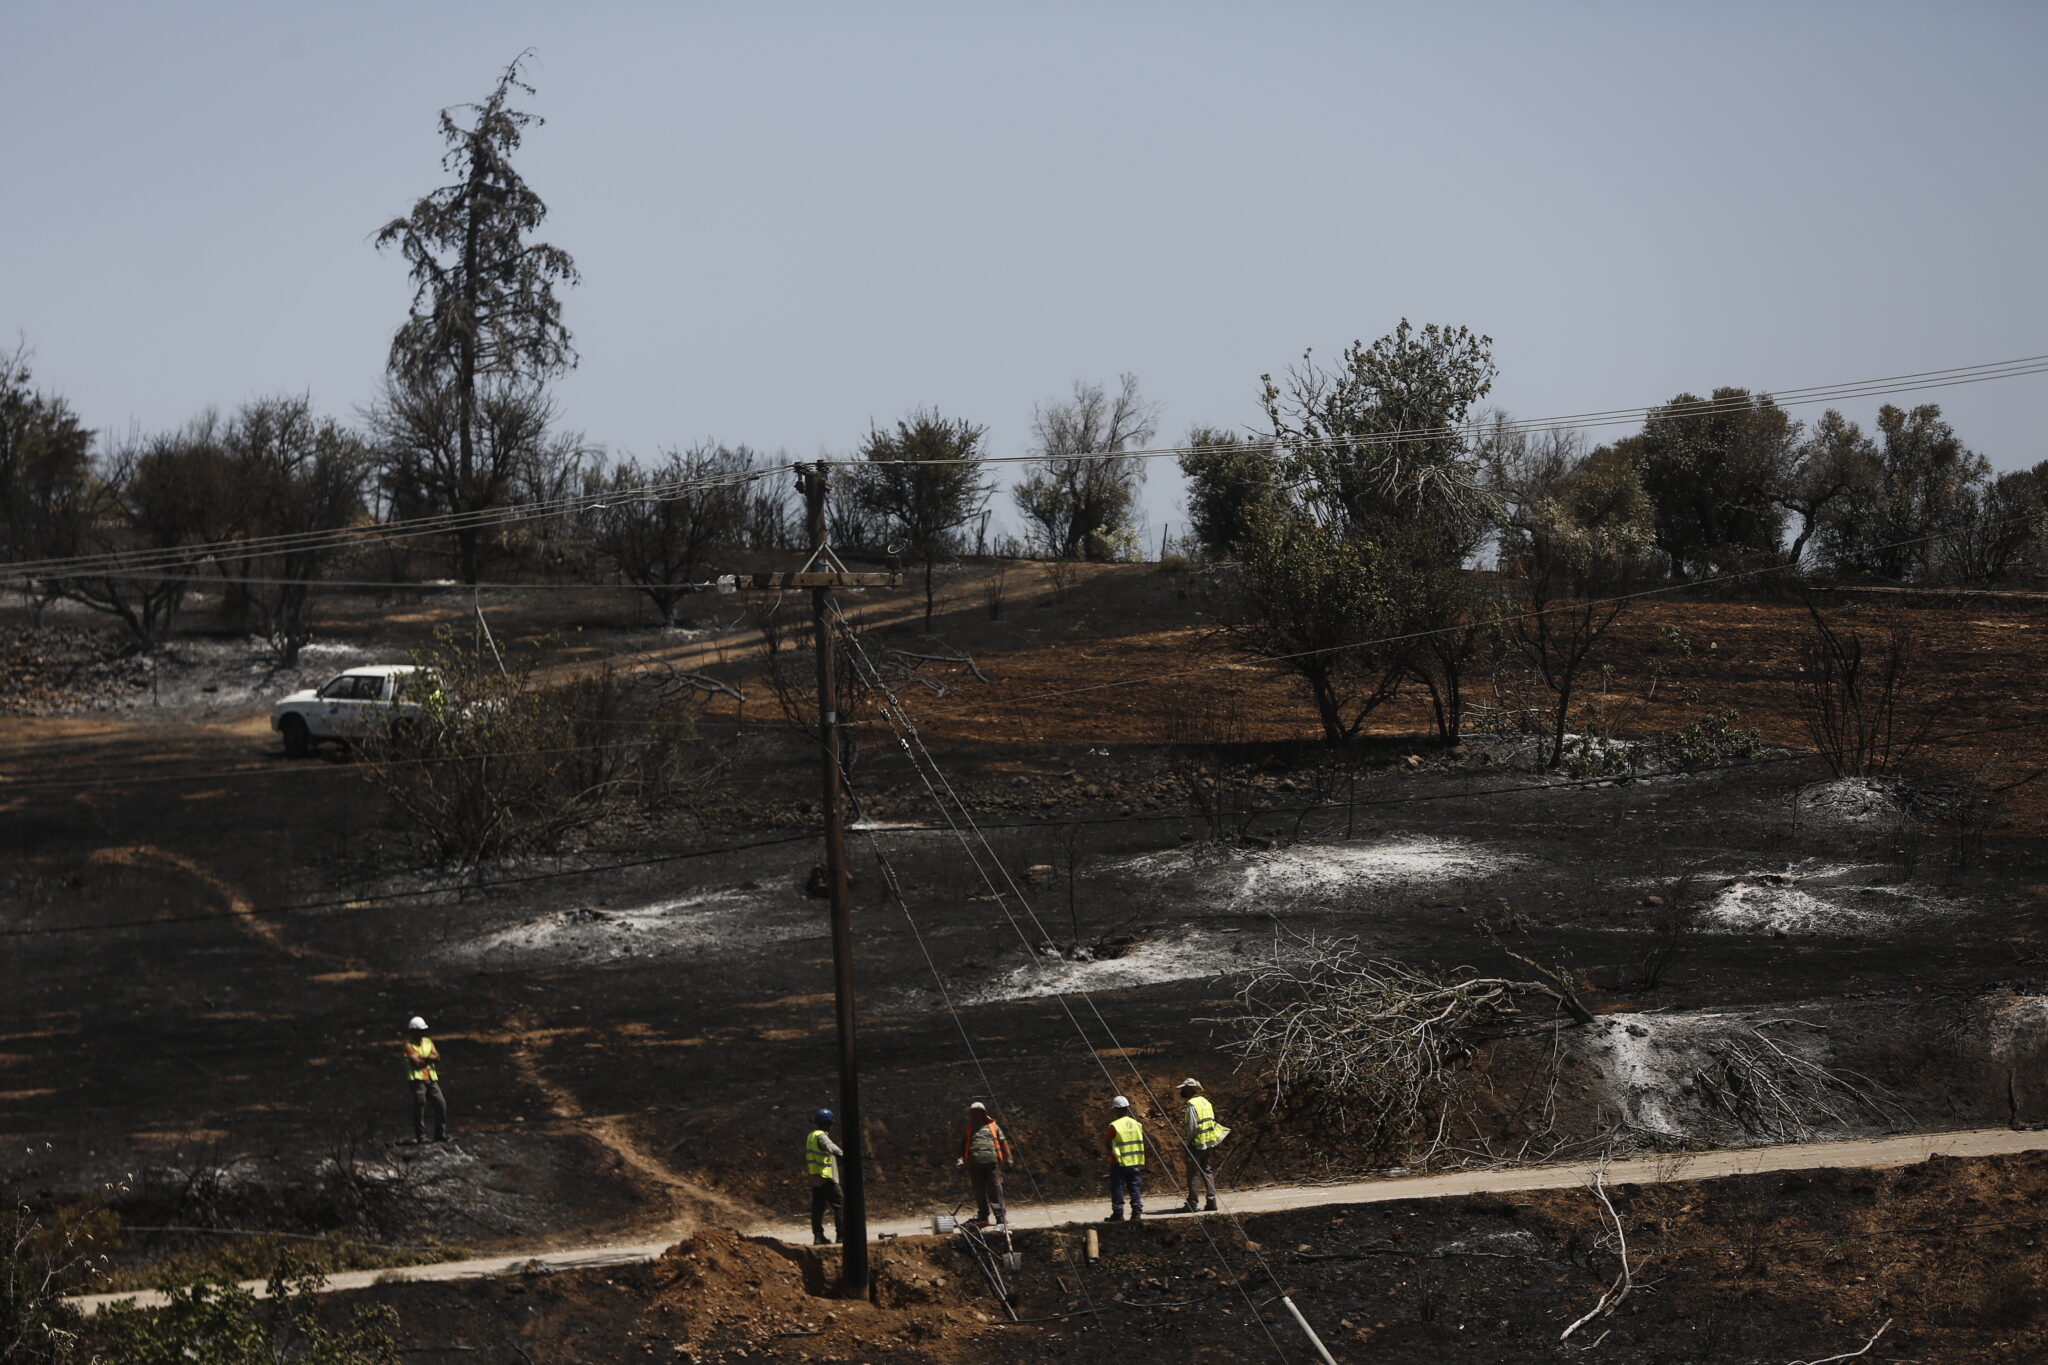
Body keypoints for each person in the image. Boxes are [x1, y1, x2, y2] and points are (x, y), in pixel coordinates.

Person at [1176, 1078, 1229, 1212]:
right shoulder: (1206, 1102)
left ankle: (1192, 1203)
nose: (1182, 1091)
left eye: (1184, 1088)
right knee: (1207, 1171)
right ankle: (1212, 1201)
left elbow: (1193, 1126)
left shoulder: (1191, 1104)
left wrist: (1188, 1141)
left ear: (1190, 1089)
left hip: (1197, 1143)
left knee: (1193, 1173)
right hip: (1209, 1142)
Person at [955, 1101, 1011, 1228]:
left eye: (977, 1112)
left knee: (995, 1190)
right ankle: (983, 1217)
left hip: (992, 1164)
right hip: (975, 1165)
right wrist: (960, 1159)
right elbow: (962, 1146)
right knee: (979, 1191)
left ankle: (1000, 1218)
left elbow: (1003, 1142)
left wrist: (1009, 1158)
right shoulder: (969, 1129)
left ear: (983, 1113)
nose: (974, 1115)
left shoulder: (993, 1126)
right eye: (973, 1113)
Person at [403, 1016, 448, 1144]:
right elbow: (416, 1062)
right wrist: (429, 1057)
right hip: (417, 1080)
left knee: (441, 1104)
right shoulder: (408, 1045)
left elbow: (437, 1057)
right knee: (419, 1107)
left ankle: (440, 1134)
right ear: (413, 1031)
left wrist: (424, 1058)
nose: (422, 1032)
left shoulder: (428, 1042)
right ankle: (421, 1136)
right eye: (420, 1030)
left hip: (431, 1079)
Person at [806, 1109, 845, 1245]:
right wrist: (842, 1155)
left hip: (815, 1178)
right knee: (840, 1204)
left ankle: (818, 1236)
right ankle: (842, 1235)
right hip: (825, 1177)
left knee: (818, 1208)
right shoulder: (821, 1135)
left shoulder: (811, 1136)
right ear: (828, 1123)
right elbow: (830, 1146)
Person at [1105, 1095, 1146, 1221]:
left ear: (1117, 1109)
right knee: (1134, 1186)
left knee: (1117, 1186)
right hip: (1134, 1161)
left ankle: (1118, 1213)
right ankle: (1136, 1212)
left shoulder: (1114, 1125)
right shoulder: (1137, 1124)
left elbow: (1108, 1143)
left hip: (1118, 1162)